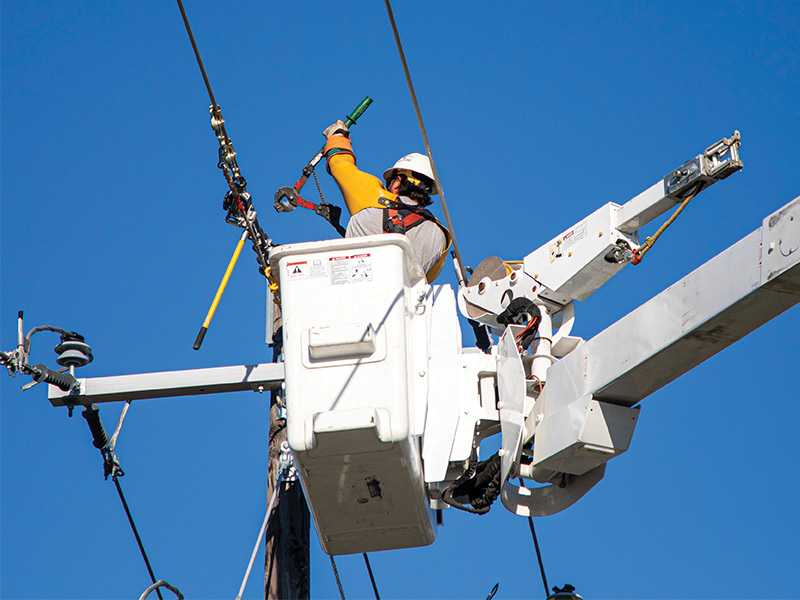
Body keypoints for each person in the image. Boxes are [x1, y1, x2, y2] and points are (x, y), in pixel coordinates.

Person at [322, 120, 451, 282]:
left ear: (397, 182)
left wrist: (338, 136)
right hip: (403, 305)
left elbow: (339, 164)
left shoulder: (376, 200)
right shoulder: (441, 236)